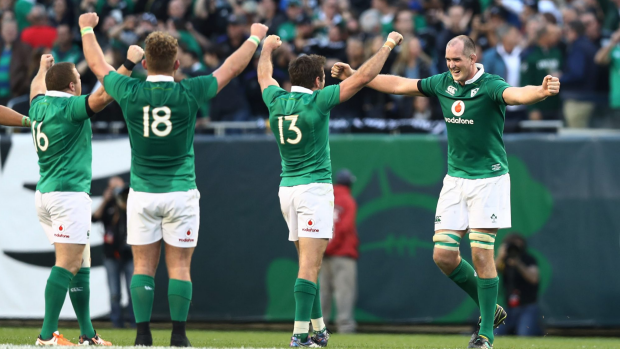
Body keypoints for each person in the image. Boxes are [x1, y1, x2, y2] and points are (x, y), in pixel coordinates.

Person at [332, 35, 560, 349]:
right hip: (455, 180)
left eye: (457, 60)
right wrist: (357, 76)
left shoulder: (491, 85)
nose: (452, 65)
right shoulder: (442, 82)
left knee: (481, 252)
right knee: (443, 255)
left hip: (489, 180)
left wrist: (541, 91)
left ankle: (485, 336)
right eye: (448, 60)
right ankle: (489, 309)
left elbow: (517, 94)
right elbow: (399, 84)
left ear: (473, 57)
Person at [79, 12, 269, 347]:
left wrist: (86, 28)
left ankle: (142, 336)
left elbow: (96, 65)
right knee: (180, 267)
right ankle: (179, 336)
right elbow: (231, 68)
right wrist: (254, 38)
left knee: (142, 267)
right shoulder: (190, 92)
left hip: (143, 193)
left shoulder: (129, 90)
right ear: (177, 63)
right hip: (181, 192)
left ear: (145, 63)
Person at [259, 30, 403, 347]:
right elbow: (364, 76)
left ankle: (319, 328)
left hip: (287, 190)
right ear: (319, 81)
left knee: (306, 267)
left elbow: (263, 75)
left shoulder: (275, 98)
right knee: (311, 268)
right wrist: (388, 45)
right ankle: (299, 335)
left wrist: (266, 48)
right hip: (313, 190)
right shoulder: (320, 100)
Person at [30, 45, 142, 345]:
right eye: (78, 77)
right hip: (67, 196)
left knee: (81, 263)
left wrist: (42, 69)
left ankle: (87, 334)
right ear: (71, 85)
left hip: (46, 194)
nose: (80, 80)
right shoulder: (69, 109)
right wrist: (129, 63)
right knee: (67, 264)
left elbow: (35, 88)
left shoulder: (38, 106)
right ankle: (46, 336)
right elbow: (104, 96)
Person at [92, 177, 135, 329]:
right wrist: (105, 200)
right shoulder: (108, 205)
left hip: (130, 255)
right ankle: (117, 324)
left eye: (120, 187)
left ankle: (135, 324)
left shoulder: (130, 203)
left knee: (133, 291)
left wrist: (125, 198)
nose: (117, 190)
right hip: (111, 255)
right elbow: (94, 218)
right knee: (114, 292)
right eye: (113, 188)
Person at [320, 169, 359, 334]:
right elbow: (344, 228)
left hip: (323, 252)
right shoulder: (348, 201)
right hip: (342, 253)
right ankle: (345, 327)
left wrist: (323, 248)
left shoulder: (325, 199)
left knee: (323, 291)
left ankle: (319, 327)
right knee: (344, 291)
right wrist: (333, 247)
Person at [494, 234, 543, 336]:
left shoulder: (528, 259)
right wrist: (500, 256)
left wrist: (518, 264)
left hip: (527, 306)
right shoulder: (504, 261)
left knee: (524, 334)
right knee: (496, 333)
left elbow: (534, 278)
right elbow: (491, 274)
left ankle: (537, 330)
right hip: (509, 307)